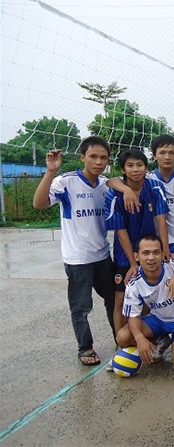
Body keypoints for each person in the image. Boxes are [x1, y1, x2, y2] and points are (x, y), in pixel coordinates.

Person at [32, 136, 115, 366]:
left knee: (115, 299)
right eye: (93, 156)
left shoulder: (106, 184)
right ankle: (85, 347)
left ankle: (122, 340)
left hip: (103, 255)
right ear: (82, 157)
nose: (98, 162)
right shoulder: (66, 182)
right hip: (78, 258)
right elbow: (38, 204)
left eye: (103, 158)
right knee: (81, 306)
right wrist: (50, 172)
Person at [105, 148, 170, 334]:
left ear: (146, 168)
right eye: (130, 165)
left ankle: (145, 338)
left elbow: (161, 220)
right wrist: (133, 263)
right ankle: (121, 343)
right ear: (123, 169)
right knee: (120, 298)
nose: (135, 169)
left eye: (139, 165)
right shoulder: (113, 195)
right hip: (124, 256)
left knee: (148, 297)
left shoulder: (155, 188)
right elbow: (120, 231)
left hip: (149, 252)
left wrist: (164, 250)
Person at [116, 234, 174, 370]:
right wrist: (140, 338)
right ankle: (160, 341)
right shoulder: (134, 282)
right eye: (146, 253)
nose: (151, 257)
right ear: (137, 256)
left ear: (162, 254)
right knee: (123, 337)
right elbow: (133, 316)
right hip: (158, 319)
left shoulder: (173, 264)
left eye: (156, 252)